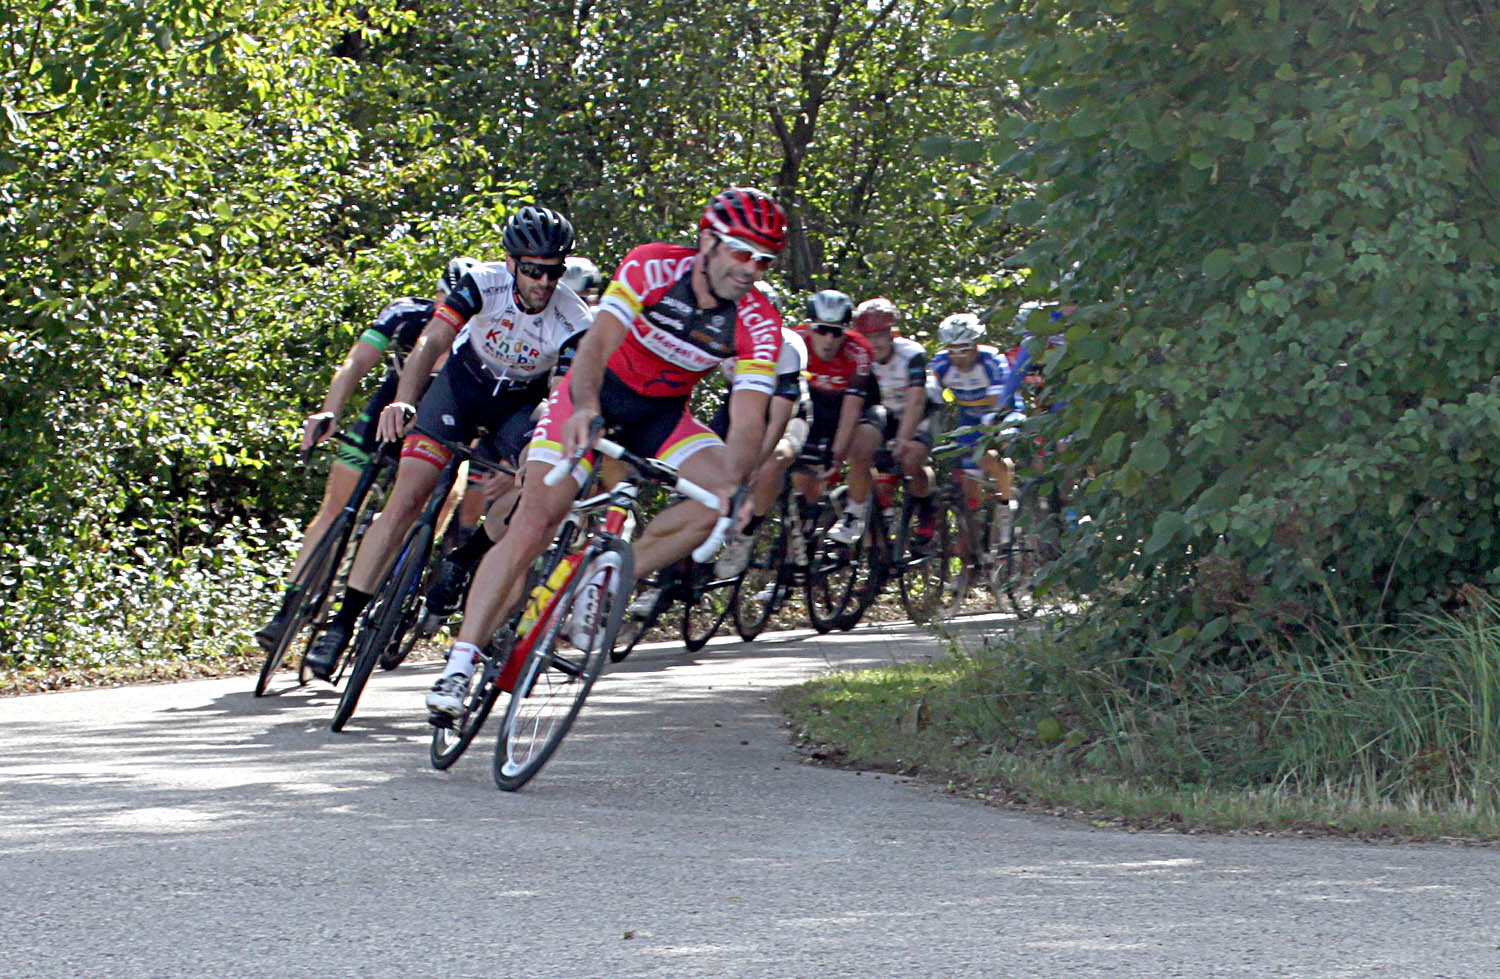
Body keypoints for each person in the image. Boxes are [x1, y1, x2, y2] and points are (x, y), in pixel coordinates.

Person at [426, 186, 787, 717]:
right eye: (740, 251)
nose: (750, 269)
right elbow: (595, 346)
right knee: (535, 523)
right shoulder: (653, 267)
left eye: (763, 259)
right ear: (708, 240)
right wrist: (584, 408)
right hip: (591, 393)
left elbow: (750, 416)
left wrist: (737, 484)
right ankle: (459, 666)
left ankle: (608, 580)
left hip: (661, 416)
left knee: (719, 499)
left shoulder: (757, 321)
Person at [303, 206, 592, 680]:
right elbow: (431, 344)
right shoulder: (484, 283)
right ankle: (343, 622)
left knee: (534, 481)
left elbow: (561, 395)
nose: (543, 281)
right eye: (534, 270)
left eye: (554, 271)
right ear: (511, 261)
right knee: (408, 498)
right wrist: (403, 401)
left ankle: (467, 556)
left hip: (520, 404)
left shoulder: (574, 317)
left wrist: (536, 451)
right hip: (462, 385)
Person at [254, 268, 462, 653]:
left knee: (417, 509)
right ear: (435, 295)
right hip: (385, 411)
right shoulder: (404, 314)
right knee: (335, 508)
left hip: (436, 427)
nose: (451, 312)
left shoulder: (479, 338)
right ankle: (288, 609)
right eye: (445, 301)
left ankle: (384, 587)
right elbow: (356, 362)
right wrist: (329, 411)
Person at [846, 296, 939, 545]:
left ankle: (926, 506)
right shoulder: (858, 358)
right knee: (878, 475)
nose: (874, 343)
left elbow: (916, 401)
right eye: (868, 336)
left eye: (880, 336)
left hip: (922, 410)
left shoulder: (911, 354)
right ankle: (879, 558)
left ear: (892, 334)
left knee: (909, 458)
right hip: (887, 413)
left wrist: (903, 440)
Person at [929, 312, 1025, 507]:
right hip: (969, 417)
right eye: (951, 350)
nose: (957, 357)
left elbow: (998, 401)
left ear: (975, 346)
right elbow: (926, 394)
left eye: (963, 350)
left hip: (1003, 412)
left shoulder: (991, 359)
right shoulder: (940, 362)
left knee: (992, 454)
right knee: (968, 474)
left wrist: (992, 427)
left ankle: (1007, 504)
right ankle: (973, 520)